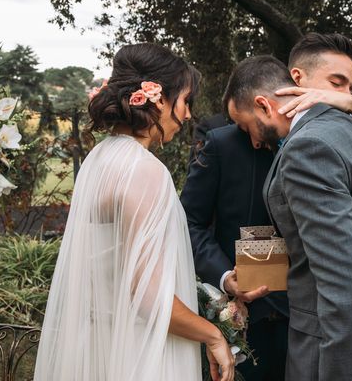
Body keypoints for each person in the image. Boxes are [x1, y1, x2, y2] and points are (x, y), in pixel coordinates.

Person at [181, 33, 352, 380]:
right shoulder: (225, 144)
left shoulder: (340, 135)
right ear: (295, 79)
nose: (343, 95)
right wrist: (225, 277)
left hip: (331, 330)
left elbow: (346, 279)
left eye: (350, 89)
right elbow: (190, 221)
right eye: (336, 83)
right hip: (264, 316)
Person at [34, 44, 235, 381]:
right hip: (143, 351)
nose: (187, 116)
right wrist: (213, 335)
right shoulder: (145, 170)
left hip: (101, 343)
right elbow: (146, 294)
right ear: (159, 99)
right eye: (185, 102)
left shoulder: (98, 160)